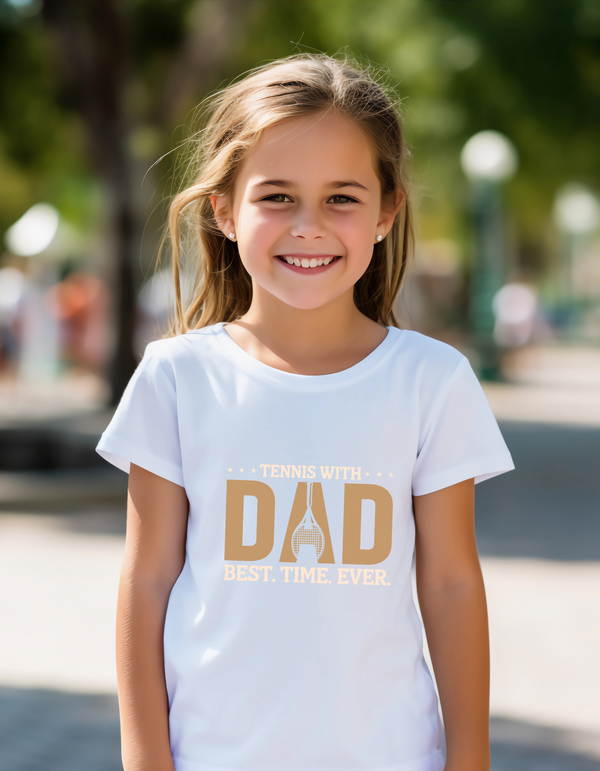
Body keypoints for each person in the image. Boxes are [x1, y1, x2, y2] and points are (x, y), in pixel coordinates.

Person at [96, 53, 514, 771]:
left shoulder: (432, 381)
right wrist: (146, 759)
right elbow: (147, 579)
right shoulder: (176, 378)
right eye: (278, 196)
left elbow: (449, 581)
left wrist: (468, 757)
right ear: (224, 209)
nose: (309, 226)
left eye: (342, 198)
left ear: (386, 212)